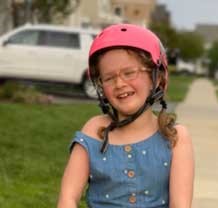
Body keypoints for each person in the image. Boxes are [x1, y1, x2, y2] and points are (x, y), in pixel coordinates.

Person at [57, 24, 194, 208]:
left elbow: (180, 204)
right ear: (100, 86)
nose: (119, 83)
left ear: (158, 77)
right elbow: (68, 198)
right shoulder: (94, 131)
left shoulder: (174, 137)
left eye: (129, 73)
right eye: (109, 78)